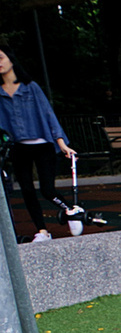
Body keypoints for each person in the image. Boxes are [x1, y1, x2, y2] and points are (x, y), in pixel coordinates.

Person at [0, 45, 75, 242]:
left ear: (11, 59)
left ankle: (71, 210)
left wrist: (61, 143)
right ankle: (42, 231)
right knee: (26, 190)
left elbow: (48, 114)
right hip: (18, 148)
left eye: (0, 58)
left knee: (47, 190)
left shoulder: (30, 87)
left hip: (43, 145)